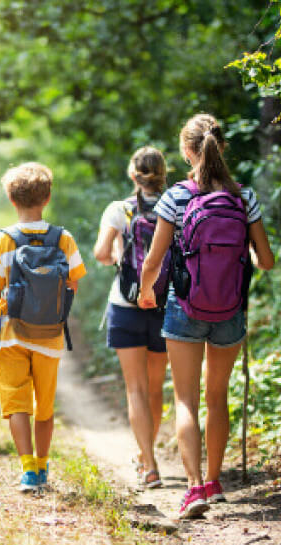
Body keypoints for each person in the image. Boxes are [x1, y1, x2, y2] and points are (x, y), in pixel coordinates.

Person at [138, 114, 274, 518]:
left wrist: (146, 292)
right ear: (222, 146)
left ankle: (193, 487)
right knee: (217, 397)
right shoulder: (244, 197)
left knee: (185, 399)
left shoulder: (176, 196)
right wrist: (239, 261)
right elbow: (266, 260)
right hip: (230, 308)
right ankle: (215, 483)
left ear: (186, 151)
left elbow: (153, 260)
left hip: (184, 304)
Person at [0, 162, 87, 491]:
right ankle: (43, 466)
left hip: (10, 334)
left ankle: (28, 470)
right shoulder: (64, 238)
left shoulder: (2, 240)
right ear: (47, 198)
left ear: (11, 200)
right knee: (44, 405)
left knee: (17, 402)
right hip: (50, 335)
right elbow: (73, 284)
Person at [93, 147, 170, 490]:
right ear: (164, 173)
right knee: (155, 388)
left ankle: (148, 465)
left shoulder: (119, 209)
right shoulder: (176, 206)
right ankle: (145, 454)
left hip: (126, 305)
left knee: (135, 389)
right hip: (164, 305)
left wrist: (119, 259)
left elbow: (100, 253)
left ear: (132, 174)